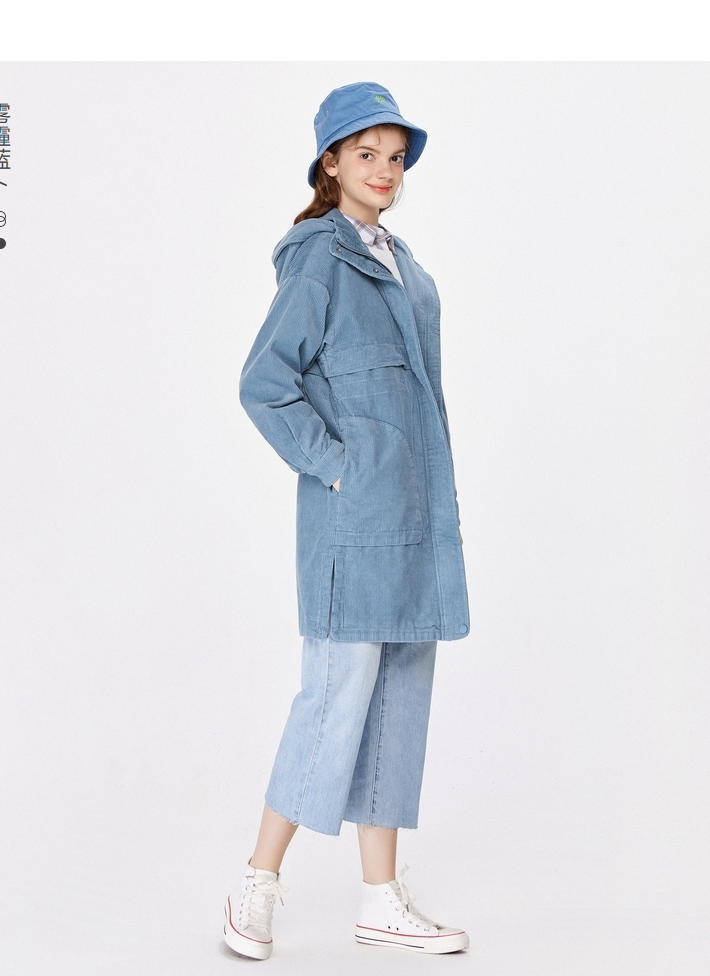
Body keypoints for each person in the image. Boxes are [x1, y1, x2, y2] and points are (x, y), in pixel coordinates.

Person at [225, 81, 471, 959]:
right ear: (330, 162)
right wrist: (338, 466)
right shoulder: (320, 259)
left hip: (415, 522)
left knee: (399, 705)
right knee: (332, 704)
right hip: (353, 527)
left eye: (396, 157)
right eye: (366, 154)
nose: (385, 171)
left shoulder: (407, 267)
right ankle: (256, 884)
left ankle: (380, 898)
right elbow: (265, 384)